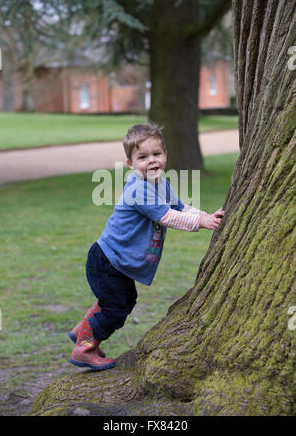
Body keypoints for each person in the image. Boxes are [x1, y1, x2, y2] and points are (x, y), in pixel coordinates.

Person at [68, 123, 224, 371]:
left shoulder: (161, 184)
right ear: (130, 163)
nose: (151, 161)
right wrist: (202, 223)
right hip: (107, 261)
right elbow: (167, 217)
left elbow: (180, 209)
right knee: (115, 310)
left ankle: (83, 331)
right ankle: (84, 347)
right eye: (143, 157)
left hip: (116, 263)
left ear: (165, 155)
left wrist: (207, 216)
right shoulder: (139, 189)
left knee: (125, 301)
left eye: (156, 154)